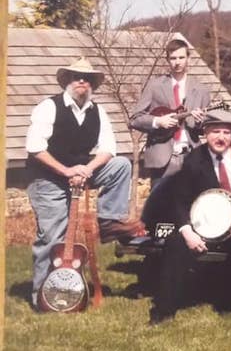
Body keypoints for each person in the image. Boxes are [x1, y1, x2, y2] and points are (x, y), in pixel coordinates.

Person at [25, 57, 144, 307]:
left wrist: (86, 169)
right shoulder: (48, 107)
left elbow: (109, 149)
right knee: (52, 237)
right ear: (67, 80)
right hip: (47, 177)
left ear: (92, 85)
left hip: (80, 172)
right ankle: (42, 297)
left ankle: (110, 221)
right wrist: (67, 171)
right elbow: (35, 148)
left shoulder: (97, 111)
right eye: (77, 76)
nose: (82, 81)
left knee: (120, 165)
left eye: (87, 78)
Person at [149, 110, 231, 324]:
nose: (221, 137)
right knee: (175, 244)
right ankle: (164, 310)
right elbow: (179, 199)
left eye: (226, 132)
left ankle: (226, 300)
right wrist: (187, 231)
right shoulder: (195, 159)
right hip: (207, 222)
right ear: (205, 134)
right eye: (215, 131)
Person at [130, 38, 210, 185]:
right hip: (162, 159)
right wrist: (157, 122)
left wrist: (200, 122)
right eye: (173, 58)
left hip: (192, 157)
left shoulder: (201, 90)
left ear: (188, 58)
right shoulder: (154, 86)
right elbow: (135, 118)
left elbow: (203, 129)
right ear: (167, 60)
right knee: (161, 206)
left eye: (181, 57)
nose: (177, 62)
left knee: (191, 205)